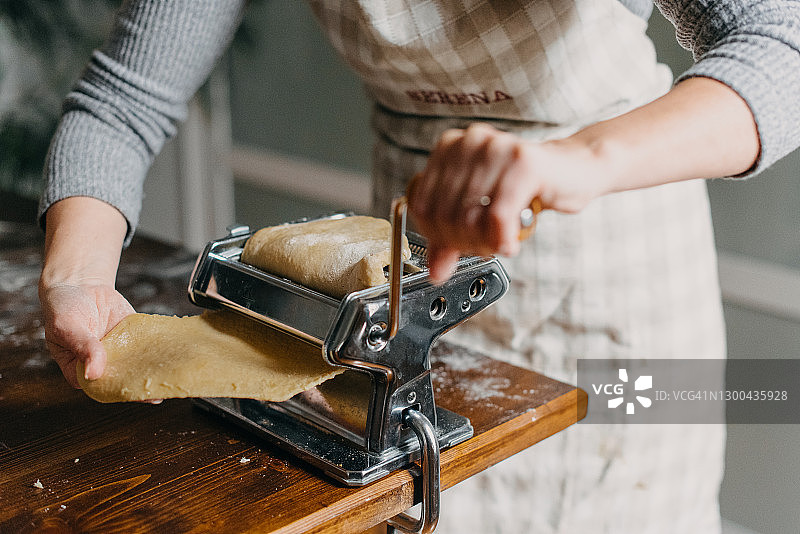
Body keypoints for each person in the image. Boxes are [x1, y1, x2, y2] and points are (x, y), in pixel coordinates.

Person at [38, 1, 799, 532]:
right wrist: (74, 279)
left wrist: (580, 158)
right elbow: (121, 103)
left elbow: (782, 46)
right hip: (399, 269)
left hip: (618, 241)